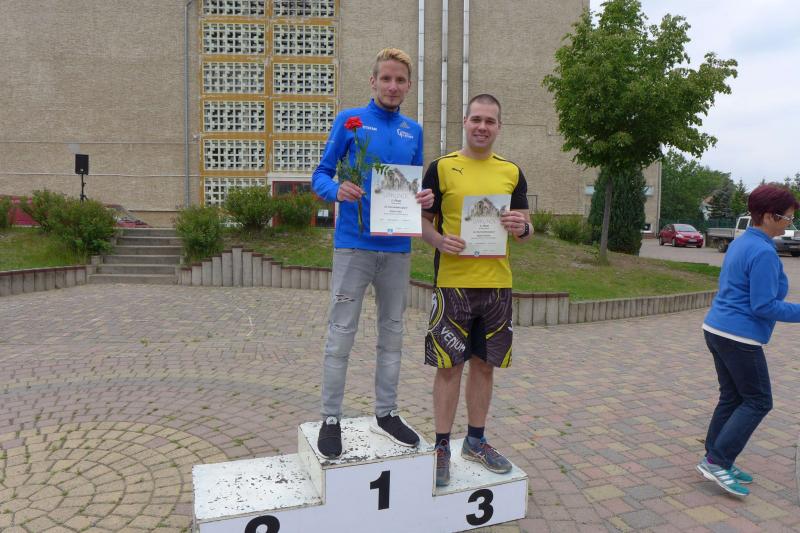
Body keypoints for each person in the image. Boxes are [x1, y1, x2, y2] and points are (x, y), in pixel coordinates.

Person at [311, 48, 434, 458]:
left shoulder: (413, 131)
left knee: (393, 334)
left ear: (409, 86)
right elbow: (320, 175)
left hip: (397, 250)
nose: (392, 86)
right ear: (373, 81)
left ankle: (387, 413)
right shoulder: (350, 121)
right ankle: (331, 418)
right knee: (341, 333)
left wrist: (425, 198)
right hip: (354, 246)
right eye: (386, 78)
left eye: (400, 80)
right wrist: (336, 190)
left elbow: (414, 187)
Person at [420, 94, 531, 486]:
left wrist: (522, 227)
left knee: (484, 366)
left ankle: (476, 441)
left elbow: (526, 228)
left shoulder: (512, 172)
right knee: (449, 367)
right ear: (464, 121)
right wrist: (439, 240)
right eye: (476, 119)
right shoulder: (441, 168)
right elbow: (422, 222)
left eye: (490, 121)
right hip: (453, 285)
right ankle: (441, 446)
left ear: (499, 127)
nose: (483, 127)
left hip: (497, 286)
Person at [697, 183, 800, 497]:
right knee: (758, 401)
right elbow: (764, 306)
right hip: (738, 336)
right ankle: (717, 461)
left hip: (716, 328)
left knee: (732, 397)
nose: (790, 224)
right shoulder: (763, 252)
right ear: (769, 216)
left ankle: (715, 458)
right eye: (788, 218)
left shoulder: (742, 242)